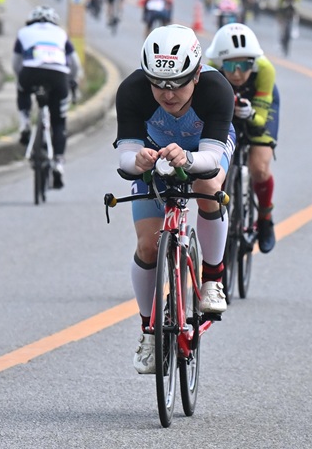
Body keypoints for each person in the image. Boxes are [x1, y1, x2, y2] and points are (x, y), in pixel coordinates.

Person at [114, 24, 235, 374]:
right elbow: (125, 156)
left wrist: (187, 158)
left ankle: (212, 278)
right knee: (148, 247)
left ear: (196, 74)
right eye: (159, 84)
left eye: (177, 84)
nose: (168, 95)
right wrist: (138, 160)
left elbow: (212, 160)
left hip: (203, 150)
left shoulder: (216, 90)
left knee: (211, 191)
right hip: (154, 153)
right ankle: (150, 331)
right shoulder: (133, 91)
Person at [206, 23, 280, 252]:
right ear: (219, 63)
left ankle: (265, 218)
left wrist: (251, 114)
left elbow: (260, 122)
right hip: (223, 113)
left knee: (259, 167)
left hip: (258, 108)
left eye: (245, 64)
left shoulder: (265, 70)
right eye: (230, 64)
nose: (237, 73)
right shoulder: (209, 72)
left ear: (254, 63)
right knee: (216, 171)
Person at [12, 6, 82, 189]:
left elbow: (16, 64)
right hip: (58, 76)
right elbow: (74, 64)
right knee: (59, 121)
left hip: (31, 72)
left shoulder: (23, 32)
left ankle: (24, 123)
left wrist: (23, 80)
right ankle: (58, 163)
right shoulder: (61, 33)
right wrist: (72, 81)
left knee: (22, 88)